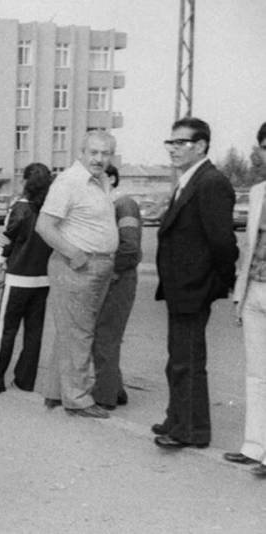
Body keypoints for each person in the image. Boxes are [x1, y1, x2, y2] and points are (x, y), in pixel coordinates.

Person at [152, 117, 239, 449]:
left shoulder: (211, 182)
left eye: (181, 143)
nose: (173, 150)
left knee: (187, 360)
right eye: (170, 143)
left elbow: (222, 243)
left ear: (201, 146)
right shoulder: (189, 180)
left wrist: (217, 282)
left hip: (193, 286)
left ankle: (191, 431)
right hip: (180, 287)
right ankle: (177, 418)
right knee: (178, 357)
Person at [34, 131, 120, 418]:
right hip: (77, 266)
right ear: (81, 152)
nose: (99, 158)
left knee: (70, 332)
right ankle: (79, 399)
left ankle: (57, 392)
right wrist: (75, 254)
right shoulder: (69, 181)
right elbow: (45, 226)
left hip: (97, 266)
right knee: (80, 334)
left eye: (105, 153)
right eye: (93, 152)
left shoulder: (101, 181)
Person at [0, 164, 54, 400]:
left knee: (6, 332)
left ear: (27, 181)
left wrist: (0, 262)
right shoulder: (50, 209)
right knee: (34, 332)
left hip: (18, 277)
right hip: (43, 278)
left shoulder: (20, 207)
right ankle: (25, 380)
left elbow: (7, 239)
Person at [229, 121, 266, 477]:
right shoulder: (257, 192)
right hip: (255, 288)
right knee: (257, 373)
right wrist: (239, 294)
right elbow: (248, 247)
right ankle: (254, 446)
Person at [90, 165, 142, 410]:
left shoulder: (124, 204)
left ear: (111, 178)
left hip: (118, 280)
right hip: (111, 278)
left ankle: (104, 396)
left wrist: (111, 274)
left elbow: (130, 249)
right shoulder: (109, 206)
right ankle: (115, 389)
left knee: (105, 337)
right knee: (104, 336)